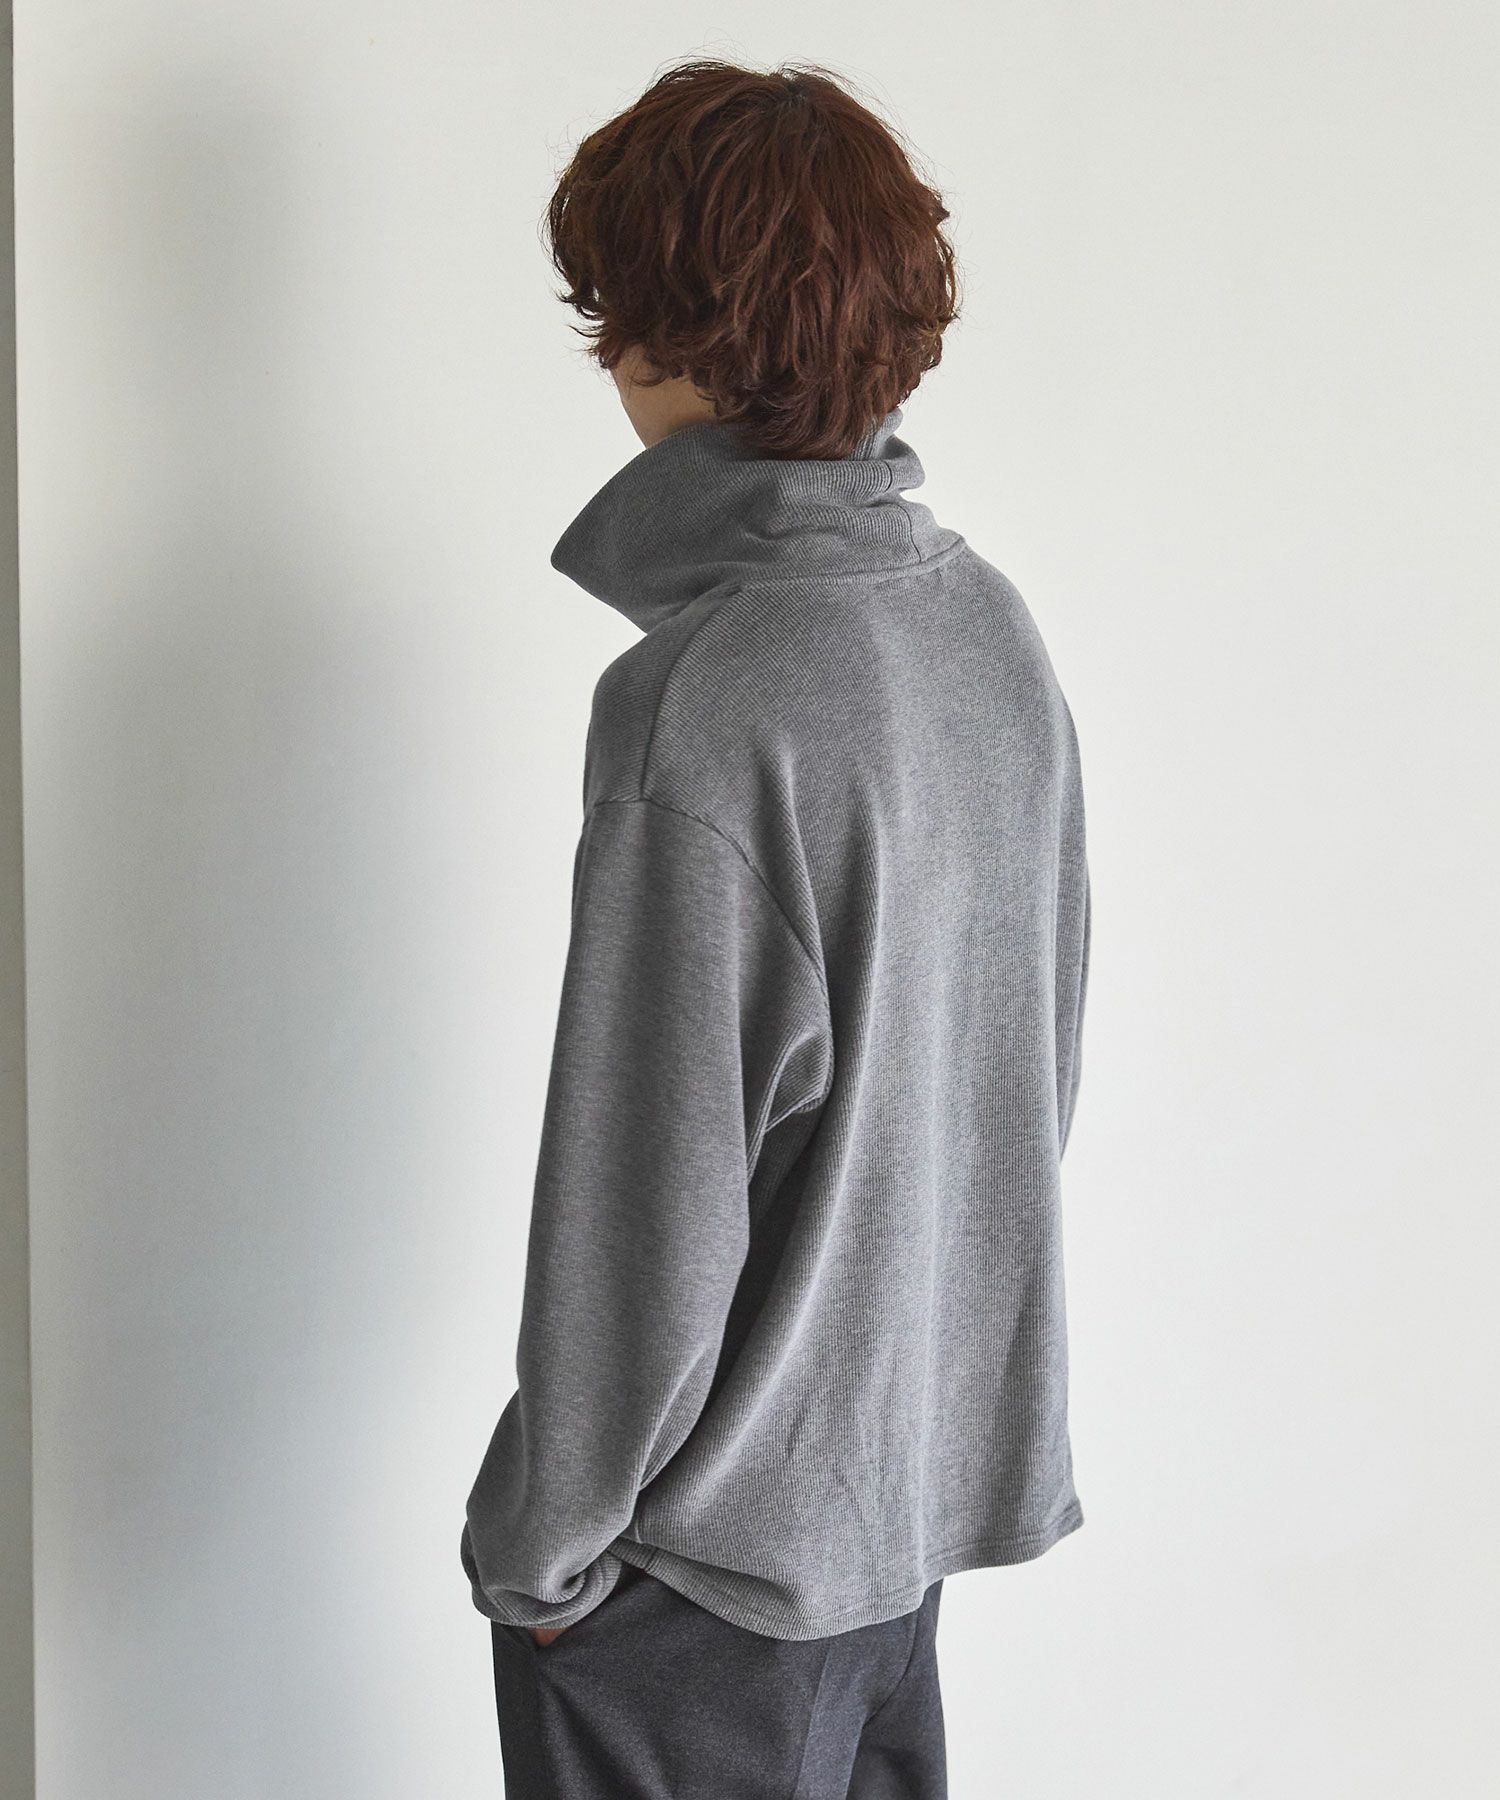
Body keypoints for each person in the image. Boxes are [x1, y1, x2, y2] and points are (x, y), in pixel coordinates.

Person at [460, 58, 1091, 1799]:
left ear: (662, 332)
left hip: (698, 1588)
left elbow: (646, 1196)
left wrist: (543, 1555)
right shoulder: (984, 626)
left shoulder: (710, 697)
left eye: (615, 306)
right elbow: (1026, 1073)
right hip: (891, 1535)